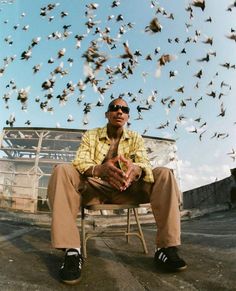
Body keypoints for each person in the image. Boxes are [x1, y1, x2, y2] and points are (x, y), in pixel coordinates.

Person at [47, 97, 187, 285]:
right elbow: (79, 161)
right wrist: (99, 169)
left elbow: (145, 163)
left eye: (124, 109)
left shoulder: (135, 138)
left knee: (164, 173)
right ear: (107, 114)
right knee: (62, 170)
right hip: (94, 188)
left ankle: (166, 248)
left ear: (128, 115)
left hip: (128, 190)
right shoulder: (91, 135)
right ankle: (72, 251)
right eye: (114, 108)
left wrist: (136, 170)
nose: (119, 111)